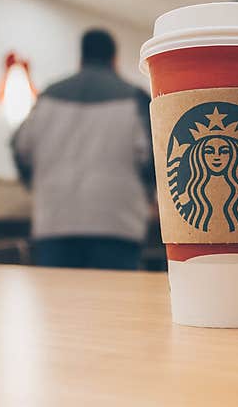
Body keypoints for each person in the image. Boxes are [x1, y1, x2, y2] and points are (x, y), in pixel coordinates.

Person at [11, 28, 153, 270]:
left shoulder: (46, 99)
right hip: (116, 223)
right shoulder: (134, 98)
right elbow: (153, 159)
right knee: (113, 304)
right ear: (114, 59)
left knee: (58, 303)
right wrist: (149, 194)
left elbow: (20, 148)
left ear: (80, 58)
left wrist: (33, 183)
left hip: (54, 221)